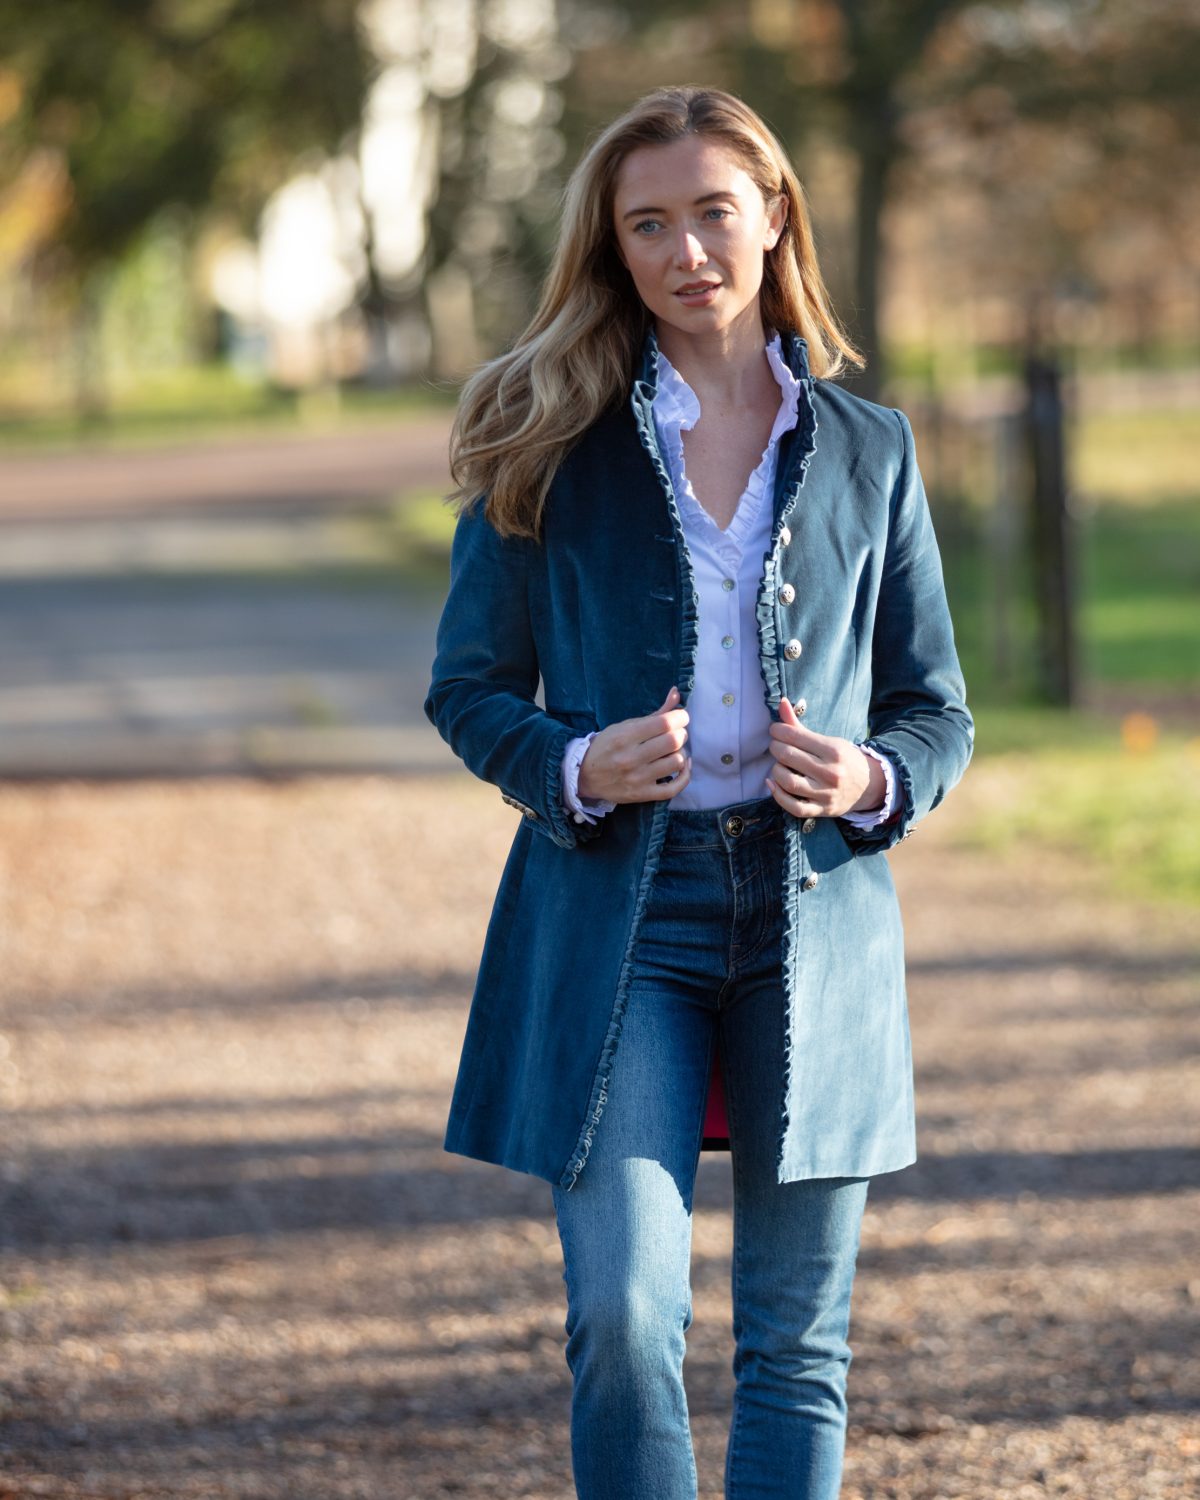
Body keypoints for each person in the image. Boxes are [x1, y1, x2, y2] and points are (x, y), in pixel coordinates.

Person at [424, 85, 973, 1500]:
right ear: (612, 248)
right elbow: (468, 682)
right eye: (647, 224)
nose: (687, 253)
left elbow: (937, 712)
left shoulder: (873, 446)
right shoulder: (541, 429)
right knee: (622, 1317)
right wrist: (568, 761)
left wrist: (869, 774)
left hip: (816, 917)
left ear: (775, 213)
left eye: (714, 213)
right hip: (621, 914)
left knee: (797, 1346)